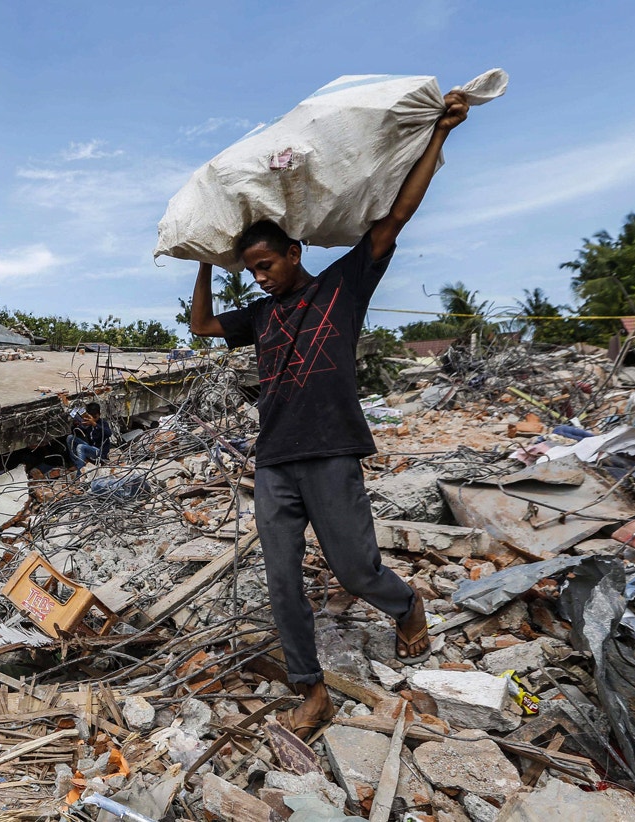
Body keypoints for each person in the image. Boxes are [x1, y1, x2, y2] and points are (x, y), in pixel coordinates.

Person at [188, 91, 471, 740]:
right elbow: (202, 323)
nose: (258, 278)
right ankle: (311, 692)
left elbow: (395, 215)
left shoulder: (342, 286)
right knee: (283, 580)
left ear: (294, 252)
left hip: (332, 451)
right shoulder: (258, 317)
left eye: (265, 265)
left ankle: (406, 606)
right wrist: (206, 258)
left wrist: (441, 136)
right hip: (274, 464)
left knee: (354, 569)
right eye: (250, 270)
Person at [66, 402, 113, 471]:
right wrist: (76, 424)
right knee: (70, 438)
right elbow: (79, 431)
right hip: (91, 448)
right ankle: (77, 464)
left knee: (80, 447)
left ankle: (80, 472)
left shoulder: (103, 423)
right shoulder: (89, 425)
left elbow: (109, 433)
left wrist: (94, 424)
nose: (93, 419)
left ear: (99, 414)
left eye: (95, 417)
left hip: (100, 452)